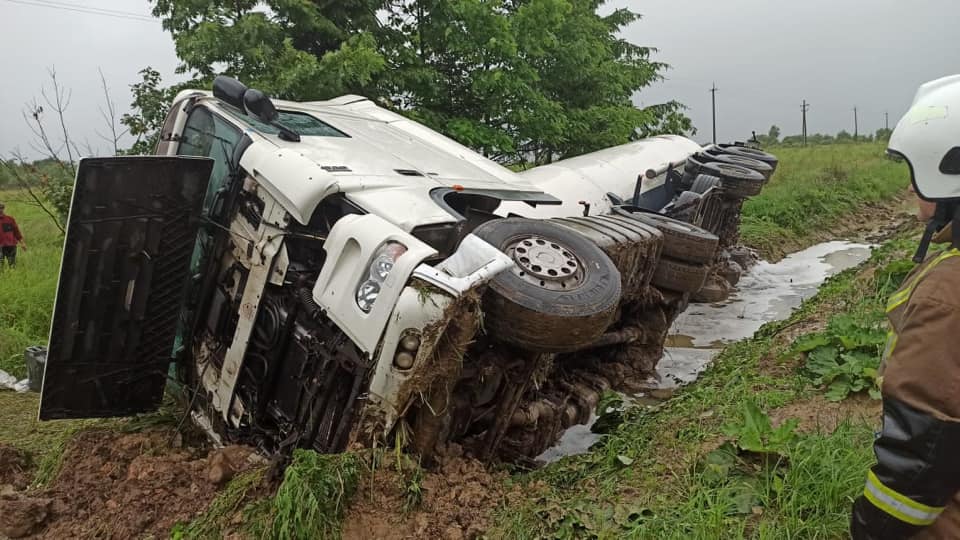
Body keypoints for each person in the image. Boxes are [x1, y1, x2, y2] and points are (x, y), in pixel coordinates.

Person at [851, 74, 960, 539]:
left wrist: (872, 525)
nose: (910, 187)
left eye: (914, 171)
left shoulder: (948, 293)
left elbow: (924, 447)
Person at [0, 202, 25, 267]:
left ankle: (13, 276)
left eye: (1, 208)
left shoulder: (10, 219)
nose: (0, 210)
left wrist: (22, 243)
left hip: (11, 246)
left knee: (12, 265)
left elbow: (17, 232)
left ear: (3, 208)